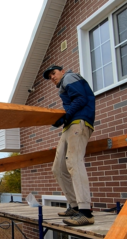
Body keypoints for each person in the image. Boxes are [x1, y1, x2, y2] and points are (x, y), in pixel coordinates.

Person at [43, 65, 96, 226]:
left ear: (62, 71)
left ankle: (85, 212)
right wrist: (63, 119)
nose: (52, 77)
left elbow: (81, 99)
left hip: (79, 122)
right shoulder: (63, 86)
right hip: (70, 125)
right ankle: (74, 206)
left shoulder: (70, 78)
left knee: (74, 162)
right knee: (58, 168)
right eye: (49, 76)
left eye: (53, 73)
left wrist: (65, 116)